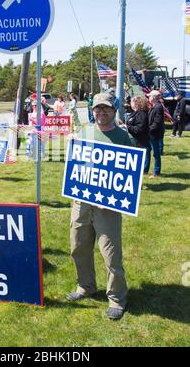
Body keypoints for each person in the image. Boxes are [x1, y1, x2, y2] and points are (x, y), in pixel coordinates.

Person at [67, 93, 133, 320]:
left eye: (105, 109)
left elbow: (134, 169)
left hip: (108, 206)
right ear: (92, 111)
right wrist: (70, 145)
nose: (101, 112)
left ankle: (116, 298)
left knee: (111, 254)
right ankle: (86, 286)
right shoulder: (84, 131)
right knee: (78, 247)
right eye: (97, 109)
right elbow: (75, 164)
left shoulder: (123, 137)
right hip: (82, 201)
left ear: (114, 111)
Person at [144, 90, 164, 178]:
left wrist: (149, 130)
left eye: (150, 96)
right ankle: (145, 170)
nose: (149, 97)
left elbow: (157, 122)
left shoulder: (158, 107)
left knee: (156, 154)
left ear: (154, 97)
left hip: (154, 134)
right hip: (150, 134)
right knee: (147, 151)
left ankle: (156, 172)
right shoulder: (154, 106)